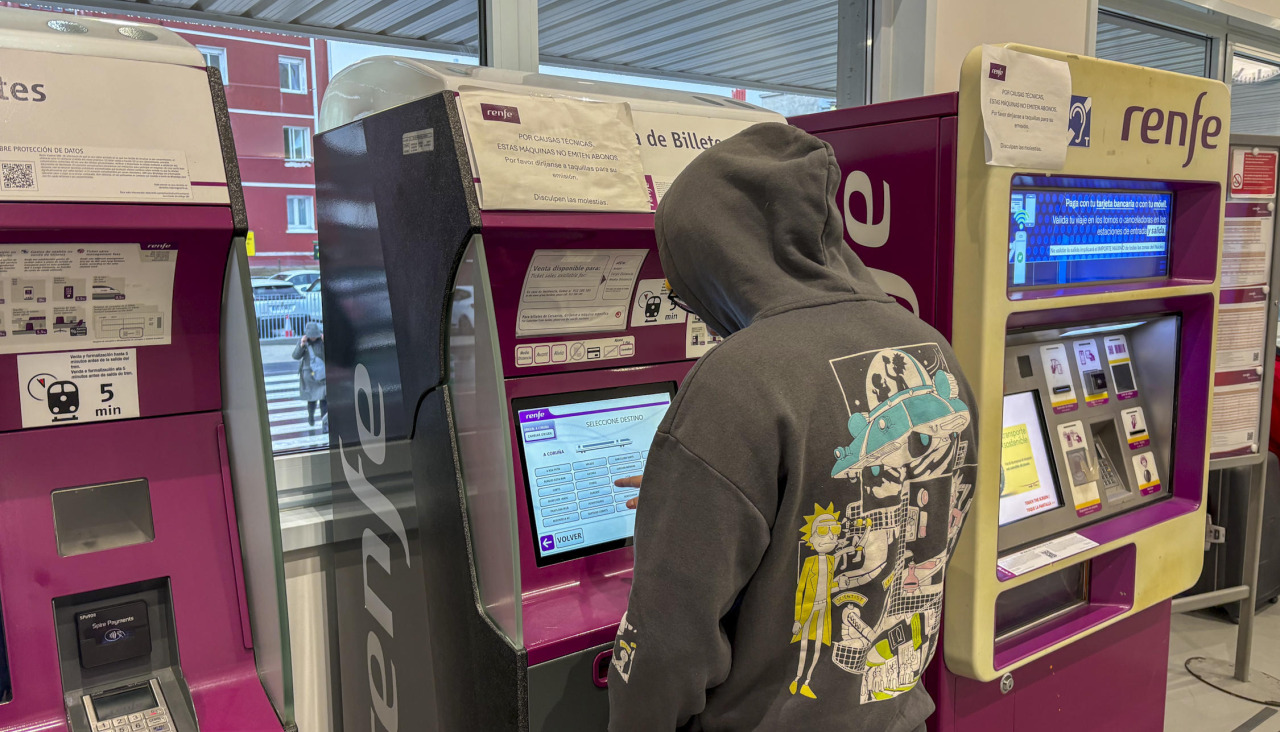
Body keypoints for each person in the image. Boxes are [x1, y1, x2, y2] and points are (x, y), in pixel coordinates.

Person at [607, 123, 978, 731]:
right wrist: (699, 500)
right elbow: (930, 515)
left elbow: (668, 645)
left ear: (717, 256)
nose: (694, 305)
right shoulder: (932, 349)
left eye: (684, 286)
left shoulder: (739, 377)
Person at [292, 321, 327, 428]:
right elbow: (295, 356)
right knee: (311, 400)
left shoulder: (321, 342)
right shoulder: (304, 342)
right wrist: (301, 345)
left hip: (322, 375)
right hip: (309, 376)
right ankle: (310, 416)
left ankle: (325, 423)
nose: (312, 338)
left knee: (324, 399)